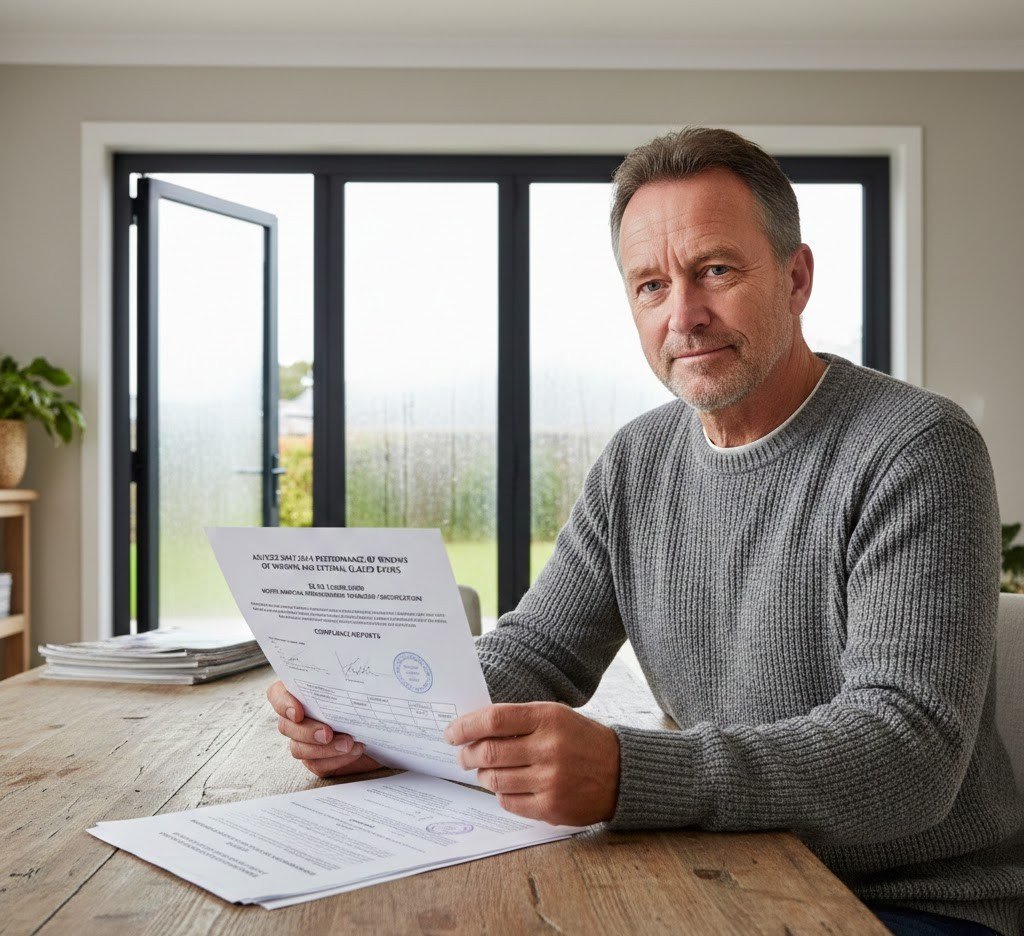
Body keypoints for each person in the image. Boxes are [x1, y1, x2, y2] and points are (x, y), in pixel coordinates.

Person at [268, 128, 1023, 936]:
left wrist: (630, 772)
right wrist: (386, 717)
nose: (684, 316)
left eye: (716, 271)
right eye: (652, 285)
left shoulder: (916, 447)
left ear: (796, 278)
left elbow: (909, 752)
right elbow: (541, 651)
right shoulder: (637, 459)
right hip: (723, 873)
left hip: (910, 901)